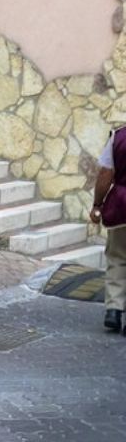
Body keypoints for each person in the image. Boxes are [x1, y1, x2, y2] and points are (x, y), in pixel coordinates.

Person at [90, 127, 126, 334]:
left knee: (117, 258)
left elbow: (106, 172)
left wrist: (97, 204)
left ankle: (114, 310)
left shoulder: (118, 137)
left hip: (121, 206)